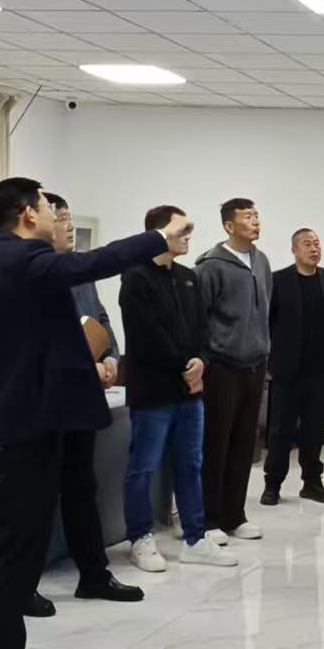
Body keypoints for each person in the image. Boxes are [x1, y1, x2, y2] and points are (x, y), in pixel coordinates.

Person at [0, 177, 168, 649]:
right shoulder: (30, 262)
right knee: (11, 563)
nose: (55, 215)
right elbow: (99, 261)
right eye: (49, 206)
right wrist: (160, 236)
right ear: (28, 214)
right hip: (23, 434)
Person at [14, 192, 143, 612]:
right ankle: (23, 586)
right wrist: (85, 364)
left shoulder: (81, 275)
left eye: (70, 219)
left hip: (81, 400)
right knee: (37, 496)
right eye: (61, 218)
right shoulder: (32, 276)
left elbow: (101, 322)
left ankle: (94, 575)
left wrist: (110, 359)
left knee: (82, 488)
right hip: (44, 403)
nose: (69, 227)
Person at [119, 205, 239, 570]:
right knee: (143, 467)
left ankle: (195, 537)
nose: (188, 236)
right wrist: (183, 367)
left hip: (190, 391)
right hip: (153, 391)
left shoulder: (189, 277)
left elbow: (202, 329)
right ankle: (140, 537)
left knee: (190, 464)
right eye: (181, 230)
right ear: (158, 234)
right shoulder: (136, 277)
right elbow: (146, 335)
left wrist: (201, 360)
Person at [195, 198, 271, 542]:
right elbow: (199, 318)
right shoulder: (211, 265)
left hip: (255, 364)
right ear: (229, 225)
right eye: (247, 216)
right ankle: (209, 518)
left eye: (257, 215)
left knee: (244, 442)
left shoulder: (261, 260)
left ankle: (234, 515)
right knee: (216, 443)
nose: (255, 221)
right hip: (222, 365)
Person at [262, 228, 324, 506]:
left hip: (320, 368)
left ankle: (312, 482)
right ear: (294, 250)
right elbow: (268, 321)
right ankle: (273, 483)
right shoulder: (278, 280)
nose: (314, 248)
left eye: (317, 243)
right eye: (307, 244)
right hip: (287, 368)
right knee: (281, 429)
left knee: (315, 428)